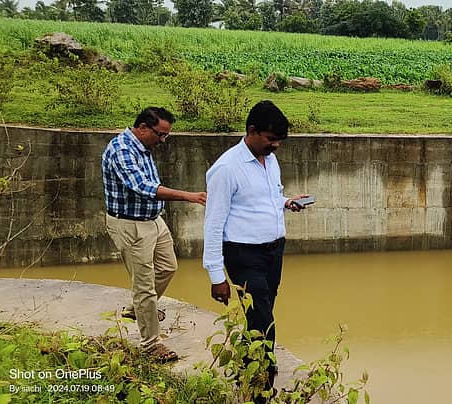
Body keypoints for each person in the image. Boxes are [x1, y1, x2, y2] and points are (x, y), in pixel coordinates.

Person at [203, 100, 310, 392]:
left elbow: (268, 196)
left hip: (273, 250)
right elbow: (213, 223)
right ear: (251, 131)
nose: (276, 146)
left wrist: (287, 202)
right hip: (243, 253)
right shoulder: (226, 169)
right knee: (263, 317)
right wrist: (216, 276)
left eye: (279, 141)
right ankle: (261, 382)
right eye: (271, 139)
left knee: (261, 311)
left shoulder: (269, 160)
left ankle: (251, 364)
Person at [102, 107, 207, 362]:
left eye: (166, 136)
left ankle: (136, 310)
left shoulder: (143, 147)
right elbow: (142, 187)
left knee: (168, 267)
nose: (162, 141)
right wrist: (188, 196)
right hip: (131, 225)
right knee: (145, 287)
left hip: (153, 221)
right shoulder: (122, 150)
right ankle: (151, 345)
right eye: (160, 135)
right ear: (142, 128)